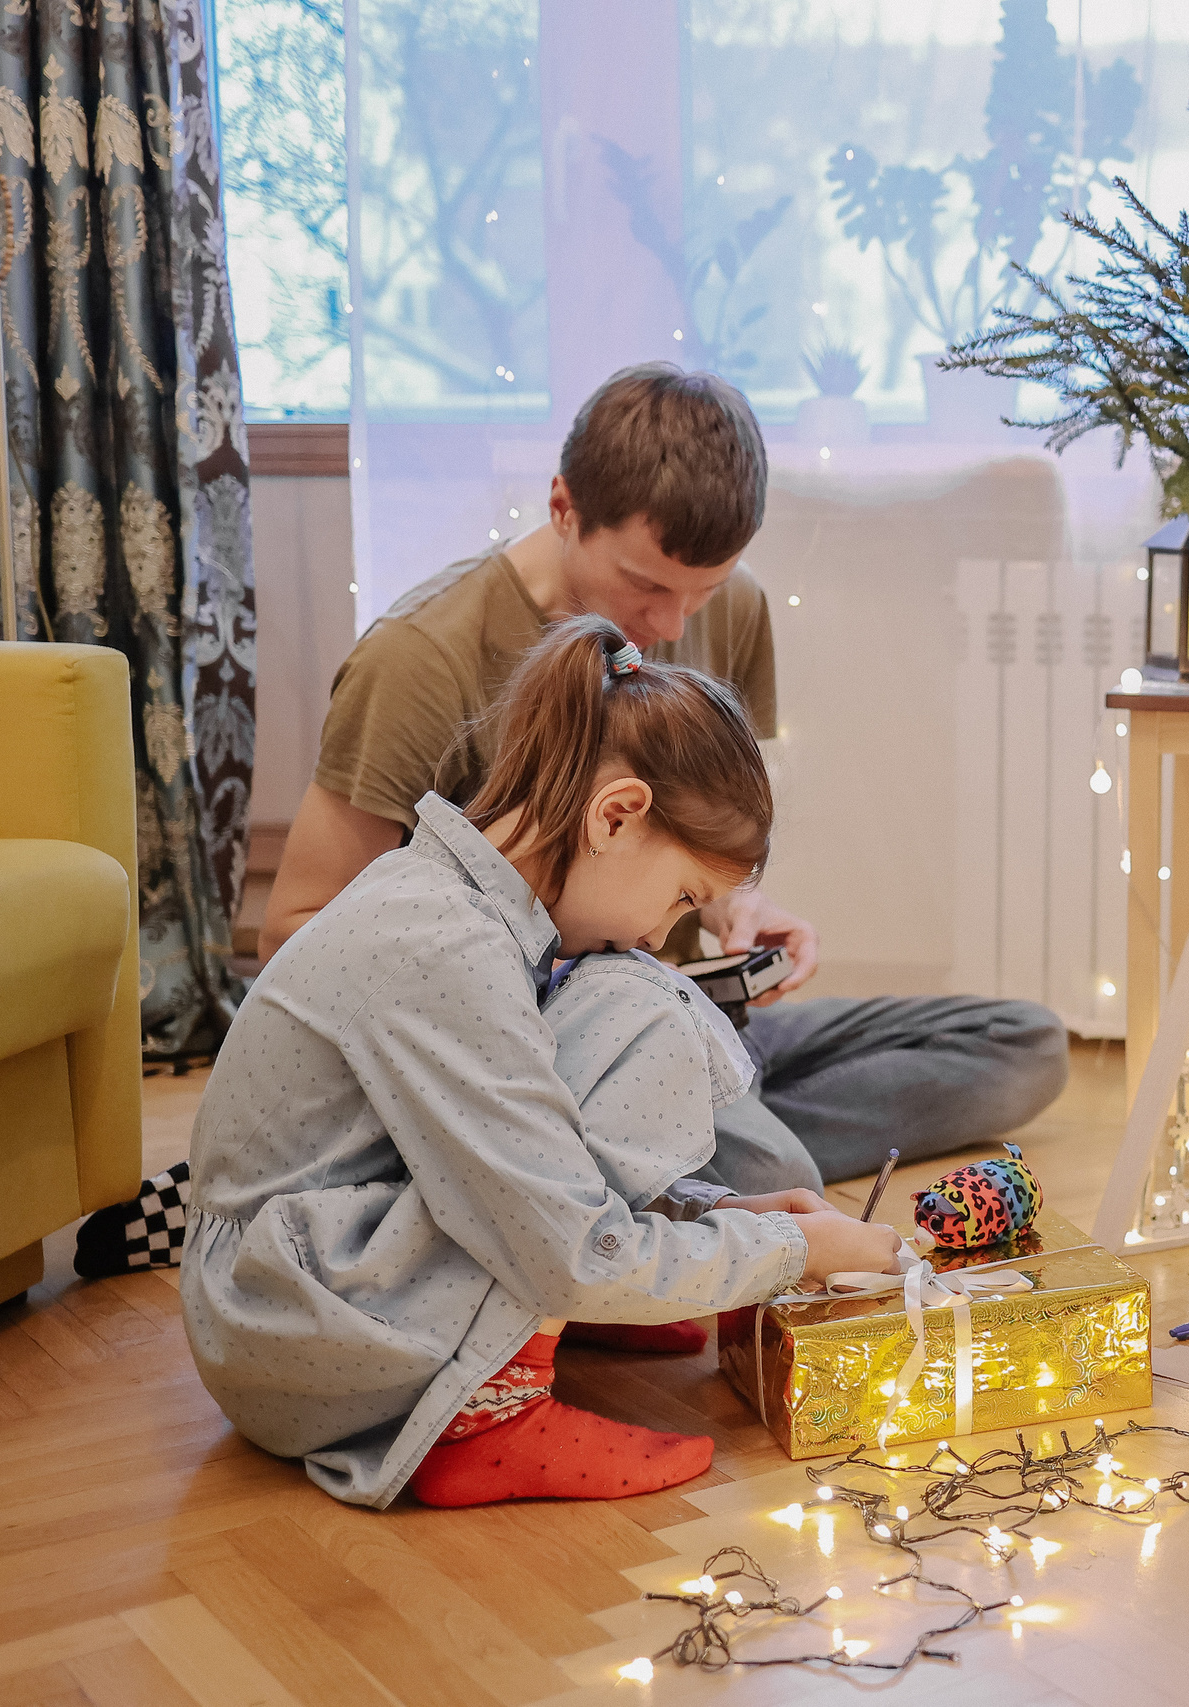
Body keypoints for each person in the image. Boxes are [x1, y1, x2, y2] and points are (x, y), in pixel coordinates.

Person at [78, 365, 1067, 1278]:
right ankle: (499, 1166)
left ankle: (590, 1155)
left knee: (1023, 1044)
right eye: (647, 585)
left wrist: (736, 914)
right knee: (781, 1174)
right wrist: (540, 1013)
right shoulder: (421, 663)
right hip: (528, 1051)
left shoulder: (737, 610)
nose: (678, 624)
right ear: (563, 507)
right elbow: (298, 935)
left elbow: (694, 836)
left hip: (671, 1004)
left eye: (706, 589)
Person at [182, 617, 905, 1509]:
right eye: (683, 896)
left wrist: (713, 1210)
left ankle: (523, 1335)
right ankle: (486, 1411)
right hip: (289, 1327)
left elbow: (512, 1155)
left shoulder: (463, 904)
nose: (660, 931)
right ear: (617, 814)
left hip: (295, 1293)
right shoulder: (447, 944)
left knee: (628, 990)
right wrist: (793, 1248)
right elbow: (564, 1246)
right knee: (644, 1005)